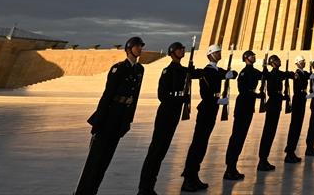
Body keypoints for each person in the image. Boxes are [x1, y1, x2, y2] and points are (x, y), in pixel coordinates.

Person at [75, 36, 146, 195]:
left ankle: (93, 191)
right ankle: (82, 192)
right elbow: (107, 95)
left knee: (105, 160)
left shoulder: (140, 70)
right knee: (95, 160)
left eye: (141, 46)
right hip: (108, 117)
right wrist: (98, 121)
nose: (140, 48)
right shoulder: (118, 68)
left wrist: (128, 121)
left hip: (121, 119)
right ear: (129, 49)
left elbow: (135, 97)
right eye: (137, 46)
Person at [137, 41, 196, 195]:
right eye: (180, 49)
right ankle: (144, 188)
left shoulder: (183, 70)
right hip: (166, 113)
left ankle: (149, 186)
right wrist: (180, 99)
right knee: (156, 151)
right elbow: (162, 95)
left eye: (183, 49)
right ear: (172, 52)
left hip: (174, 113)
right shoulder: (167, 71)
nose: (183, 51)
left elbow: (198, 74)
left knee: (162, 151)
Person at [180, 45, 236, 191]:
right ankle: (187, 178)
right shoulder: (207, 71)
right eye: (217, 52)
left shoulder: (216, 70)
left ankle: (194, 176)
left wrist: (231, 73)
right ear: (210, 55)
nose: (219, 54)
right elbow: (206, 93)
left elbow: (230, 74)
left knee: (203, 144)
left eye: (219, 52)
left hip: (212, 110)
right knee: (198, 144)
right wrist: (217, 100)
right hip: (206, 109)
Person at [223, 50, 262, 180]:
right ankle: (229, 167)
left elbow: (264, 76)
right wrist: (256, 95)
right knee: (237, 136)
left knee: (241, 137)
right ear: (246, 58)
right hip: (242, 106)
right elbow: (243, 91)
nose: (254, 57)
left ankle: (232, 167)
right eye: (252, 56)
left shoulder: (254, 71)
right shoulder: (244, 73)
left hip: (248, 106)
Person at [256, 54, 288, 171]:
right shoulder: (270, 74)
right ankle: (262, 160)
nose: (280, 61)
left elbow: (286, 75)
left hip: (276, 104)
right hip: (273, 104)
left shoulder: (277, 73)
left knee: (271, 132)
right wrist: (264, 70)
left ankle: (264, 159)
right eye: (278, 60)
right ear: (273, 62)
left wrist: (283, 97)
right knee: (268, 133)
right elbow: (272, 90)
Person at [282, 56, 310, 163]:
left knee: (298, 126)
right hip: (298, 100)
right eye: (302, 61)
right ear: (298, 63)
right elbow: (298, 87)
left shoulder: (303, 73)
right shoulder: (297, 74)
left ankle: (291, 151)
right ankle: (289, 152)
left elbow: (307, 75)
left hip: (301, 99)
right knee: (295, 126)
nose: (304, 63)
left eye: (304, 61)